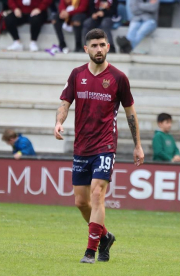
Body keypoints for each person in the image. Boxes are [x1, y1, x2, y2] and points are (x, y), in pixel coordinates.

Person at [54, 28, 144, 263]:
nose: (99, 49)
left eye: (102, 45)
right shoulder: (76, 74)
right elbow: (64, 102)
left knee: (97, 195)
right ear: (86, 49)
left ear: (108, 47)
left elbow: (131, 113)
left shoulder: (118, 77)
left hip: (105, 145)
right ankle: (105, 237)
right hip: (81, 146)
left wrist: (138, 145)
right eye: (94, 45)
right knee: (81, 203)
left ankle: (90, 252)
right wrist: (58, 123)